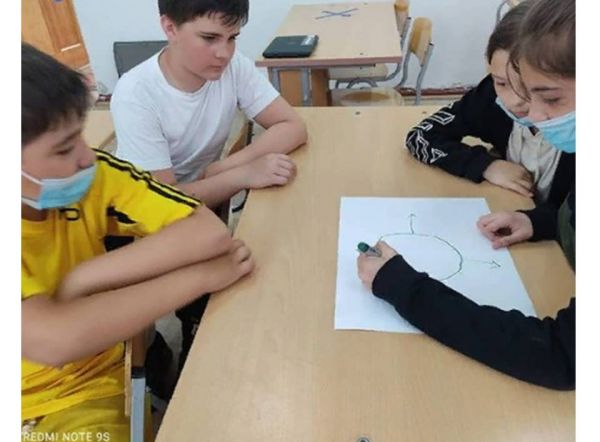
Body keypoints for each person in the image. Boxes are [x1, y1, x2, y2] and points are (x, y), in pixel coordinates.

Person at [21, 43, 254, 442]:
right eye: (63, 149)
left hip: (84, 390)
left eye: (79, 136)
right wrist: (198, 277)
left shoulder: (97, 174)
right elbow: (55, 339)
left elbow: (206, 232)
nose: (86, 157)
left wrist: (85, 276)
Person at [357, 0, 575, 390]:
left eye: (549, 97)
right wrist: (535, 218)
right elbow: (423, 135)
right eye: (506, 84)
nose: (525, 109)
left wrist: (403, 286)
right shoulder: (506, 103)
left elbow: (561, 356)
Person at [110, 0, 307, 372]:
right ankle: (168, 357)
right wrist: (241, 175)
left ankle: (189, 336)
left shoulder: (234, 67)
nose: (224, 53)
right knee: (215, 291)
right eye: (210, 38)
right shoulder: (136, 94)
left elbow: (292, 126)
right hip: (141, 218)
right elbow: (162, 204)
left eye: (233, 38)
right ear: (170, 28)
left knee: (264, 265)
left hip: (200, 200)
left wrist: (224, 167)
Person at [405, 0, 573, 206]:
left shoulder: (570, 129)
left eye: (545, 94)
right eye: (501, 83)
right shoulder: (491, 97)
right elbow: (423, 135)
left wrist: (536, 221)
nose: (515, 100)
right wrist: (486, 165)